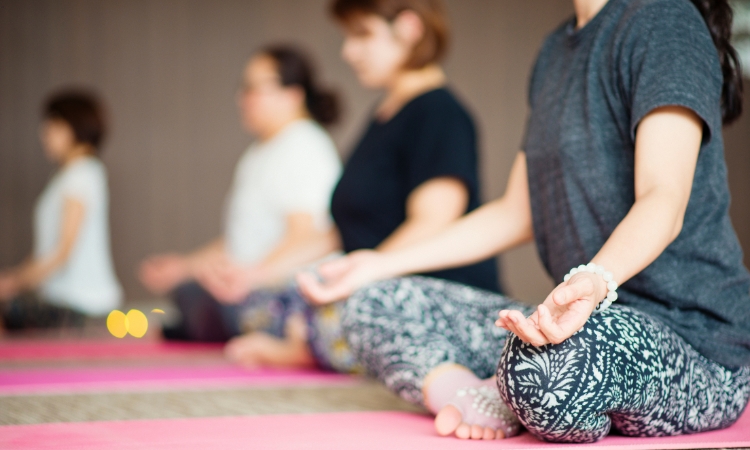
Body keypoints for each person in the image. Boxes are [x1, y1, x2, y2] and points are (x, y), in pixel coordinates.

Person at [298, 0, 750, 443]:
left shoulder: (664, 18)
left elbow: (663, 199)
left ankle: (513, 386)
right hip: (579, 329)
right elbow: (515, 213)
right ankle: (479, 397)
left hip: (695, 343)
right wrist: (377, 263)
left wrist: (593, 282)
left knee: (548, 371)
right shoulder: (555, 50)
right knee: (373, 302)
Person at [223, 0, 502, 372]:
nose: (348, 52)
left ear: (409, 27)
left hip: (429, 293)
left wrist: (364, 275)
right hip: (374, 280)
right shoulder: (383, 115)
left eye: (362, 35)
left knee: (345, 313)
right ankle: (309, 339)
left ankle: (309, 345)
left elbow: (433, 222)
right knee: (260, 299)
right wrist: (258, 273)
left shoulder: (440, 113)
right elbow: (345, 230)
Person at [139, 45, 343, 343]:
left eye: (252, 89)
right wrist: (184, 267)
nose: (241, 99)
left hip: (284, 291)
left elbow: (308, 236)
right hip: (251, 284)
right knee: (189, 291)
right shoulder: (257, 153)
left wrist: (252, 276)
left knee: (200, 300)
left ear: (292, 95)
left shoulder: (304, 144)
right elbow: (239, 243)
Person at [0, 90, 123, 332]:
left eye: (52, 126)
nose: (44, 134)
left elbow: (61, 251)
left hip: (81, 304)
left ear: (73, 128)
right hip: (65, 300)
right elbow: (47, 250)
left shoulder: (82, 173)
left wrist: (12, 283)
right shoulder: (70, 175)